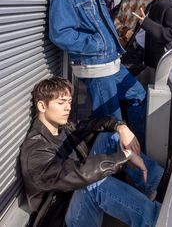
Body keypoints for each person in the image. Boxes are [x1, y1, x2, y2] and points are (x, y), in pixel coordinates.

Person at [20, 77, 163, 227]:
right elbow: (75, 173)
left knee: (110, 138)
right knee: (94, 183)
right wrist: (124, 156)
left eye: (69, 102)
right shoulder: (35, 152)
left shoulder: (63, 128)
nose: (68, 108)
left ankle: (155, 184)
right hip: (62, 219)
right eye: (61, 103)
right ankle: (157, 220)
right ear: (42, 106)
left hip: (74, 196)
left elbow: (93, 123)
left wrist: (120, 126)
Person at [49, 0, 146, 146]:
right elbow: (60, 33)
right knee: (112, 124)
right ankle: (133, 174)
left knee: (138, 95)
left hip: (112, 61)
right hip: (96, 67)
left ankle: (139, 151)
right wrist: (98, 44)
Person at [114, 0, 156, 75]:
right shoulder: (127, 2)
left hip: (141, 51)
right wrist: (125, 31)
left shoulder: (153, 0)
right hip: (124, 47)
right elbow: (117, 21)